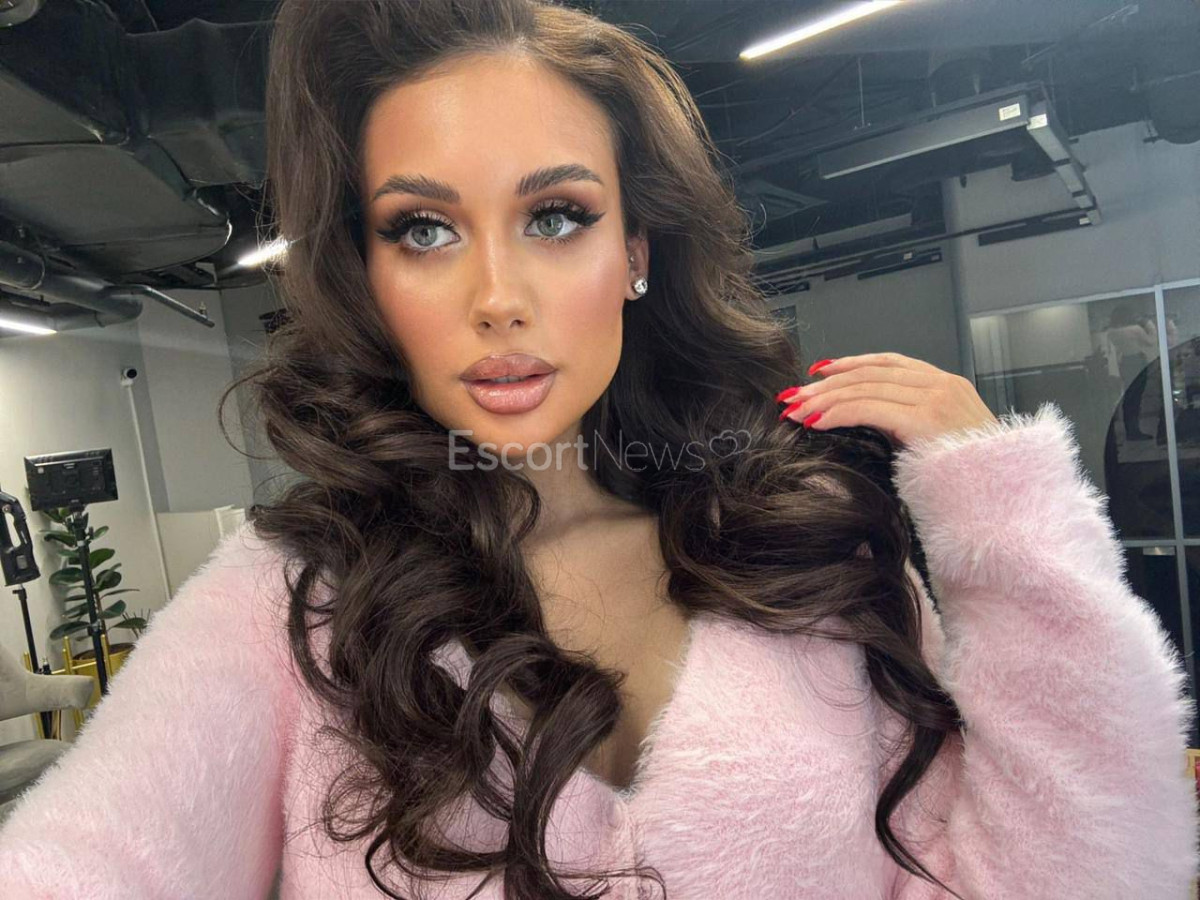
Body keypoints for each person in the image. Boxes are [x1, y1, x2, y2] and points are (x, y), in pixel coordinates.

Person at [1, 1, 1197, 898]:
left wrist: (1005, 521)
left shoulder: (807, 560)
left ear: (635, 251)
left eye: (556, 216)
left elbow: (1078, 869)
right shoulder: (290, 611)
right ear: (369, 275)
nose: (497, 296)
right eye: (423, 230)